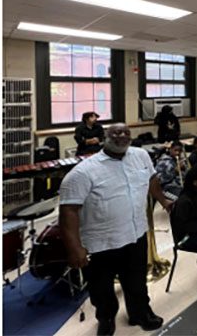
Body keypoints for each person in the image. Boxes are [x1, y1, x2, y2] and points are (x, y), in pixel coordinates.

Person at [60, 124, 166, 335]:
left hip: (135, 235)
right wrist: (74, 248)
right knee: (102, 289)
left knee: (137, 281)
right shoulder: (83, 172)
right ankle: (106, 319)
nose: (121, 137)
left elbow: (152, 179)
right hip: (101, 243)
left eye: (125, 133)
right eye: (115, 133)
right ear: (104, 137)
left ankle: (140, 313)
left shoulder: (141, 155)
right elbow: (69, 210)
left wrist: (164, 201)